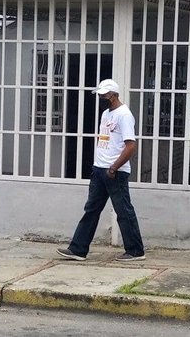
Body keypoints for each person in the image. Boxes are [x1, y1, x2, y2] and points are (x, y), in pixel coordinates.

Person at [56, 78, 145, 262]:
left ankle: (135, 250)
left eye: (104, 95)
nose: (101, 97)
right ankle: (78, 249)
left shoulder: (124, 115)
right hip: (100, 169)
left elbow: (130, 147)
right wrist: (99, 165)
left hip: (115, 171)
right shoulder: (106, 114)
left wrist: (114, 167)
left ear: (113, 95)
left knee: (123, 211)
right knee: (91, 209)